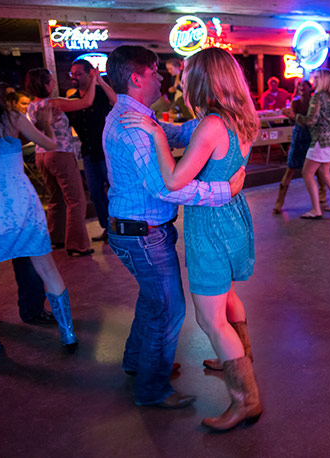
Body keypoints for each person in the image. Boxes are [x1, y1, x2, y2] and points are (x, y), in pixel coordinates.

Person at [119, 47, 261, 431]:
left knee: (210, 318)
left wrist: (154, 136)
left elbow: (172, 180)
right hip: (234, 218)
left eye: (185, 74)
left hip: (211, 225)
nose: (179, 80)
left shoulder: (211, 124)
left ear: (201, 80)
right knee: (228, 297)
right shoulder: (241, 118)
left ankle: (245, 399)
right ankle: (237, 357)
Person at [0, 55, 78, 364]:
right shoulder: (11, 118)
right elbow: (51, 143)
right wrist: (45, 123)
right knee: (46, 268)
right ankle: (68, 332)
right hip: (19, 205)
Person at [26, 67, 96, 256]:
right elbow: (86, 102)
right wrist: (94, 79)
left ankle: (55, 238)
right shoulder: (54, 103)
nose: (54, 83)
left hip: (41, 156)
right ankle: (77, 244)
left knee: (56, 198)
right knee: (76, 200)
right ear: (46, 85)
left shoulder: (31, 106)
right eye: (51, 80)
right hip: (60, 153)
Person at [66, 59, 117, 242]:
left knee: (113, 189)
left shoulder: (102, 95)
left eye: (78, 73)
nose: (74, 77)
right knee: (95, 193)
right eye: (72, 73)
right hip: (88, 152)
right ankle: (107, 228)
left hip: (106, 152)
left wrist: (101, 81)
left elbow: (117, 101)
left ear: (90, 74)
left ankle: (117, 227)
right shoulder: (72, 100)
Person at [285, 68, 330, 219]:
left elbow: (310, 121)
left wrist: (293, 116)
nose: (314, 81)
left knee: (307, 172)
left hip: (322, 139)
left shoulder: (318, 97)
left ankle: (316, 209)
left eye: (317, 78)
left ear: (323, 80)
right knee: (325, 172)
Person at [273, 79, 313, 213]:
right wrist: (289, 115)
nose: (302, 88)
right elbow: (292, 121)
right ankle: (279, 201)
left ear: (310, 89)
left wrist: (293, 115)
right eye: (299, 86)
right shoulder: (294, 102)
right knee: (290, 168)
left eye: (305, 86)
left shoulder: (314, 103)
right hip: (298, 136)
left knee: (316, 170)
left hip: (311, 136)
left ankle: (322, 194)